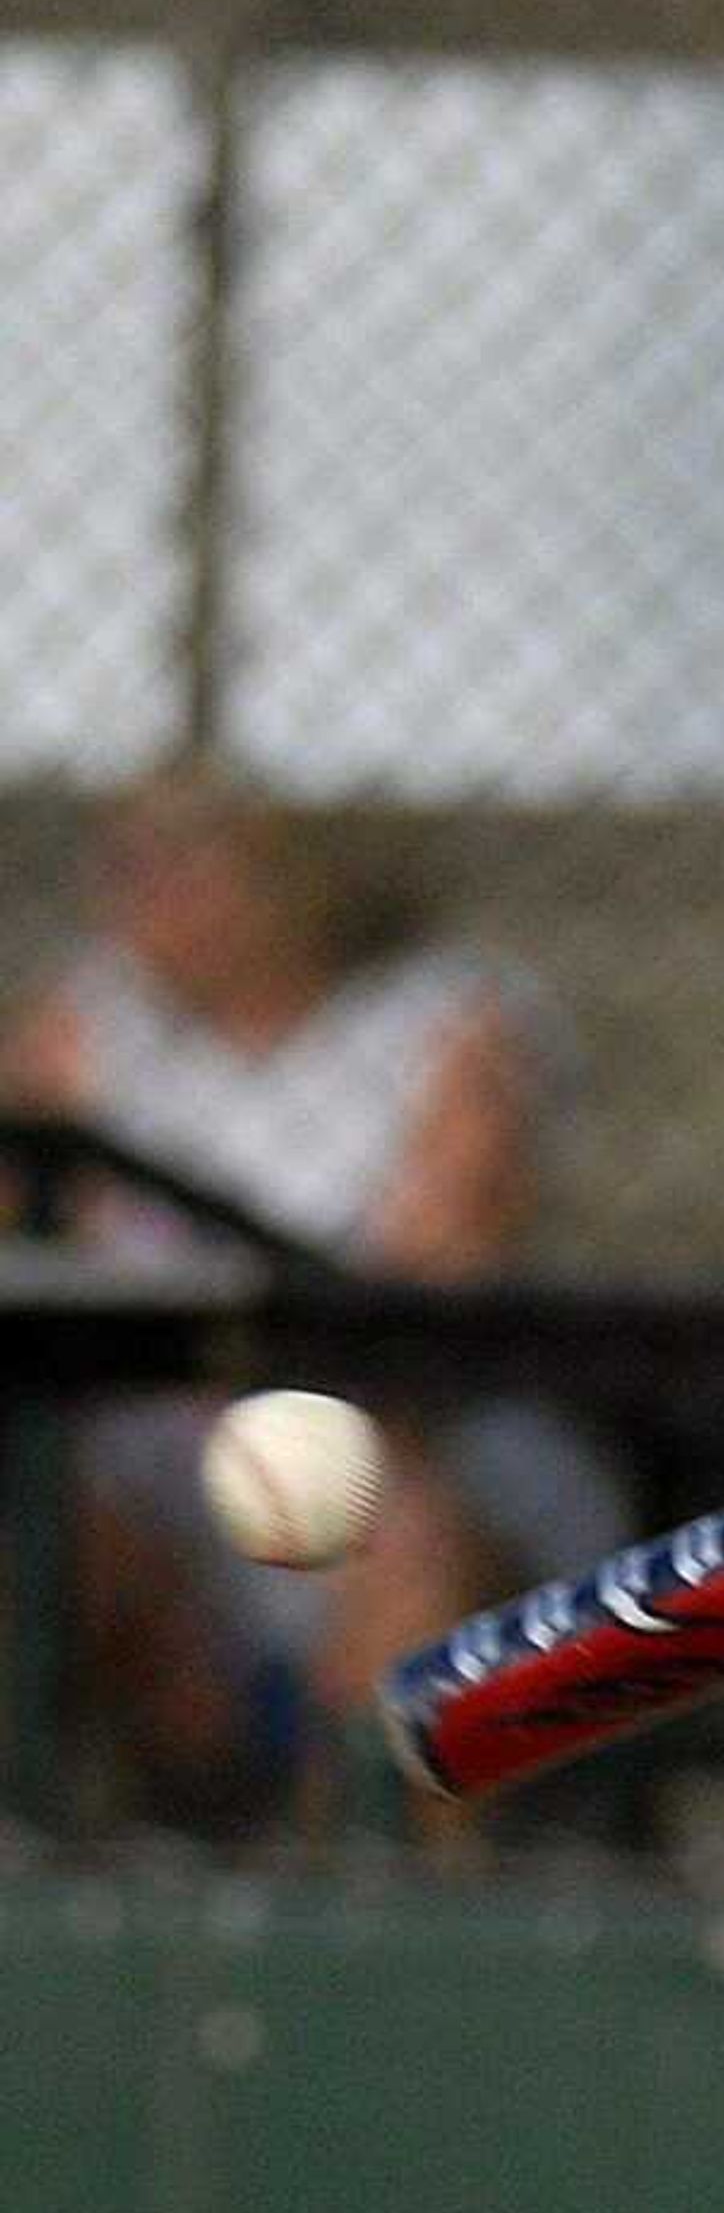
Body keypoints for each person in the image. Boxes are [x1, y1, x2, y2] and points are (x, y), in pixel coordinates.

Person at [4, 768, 624, 1834]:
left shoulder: (445, 1016)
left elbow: (434, 1269)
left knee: (397, 1533)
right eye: (126, 862)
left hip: (405, 1419)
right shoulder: (91, 1021)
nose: (143, 893)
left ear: (297, 876)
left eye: (189, 862)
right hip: (154, 1428)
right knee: (51, 1532)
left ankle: (381, 1901)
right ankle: (178, 1871)